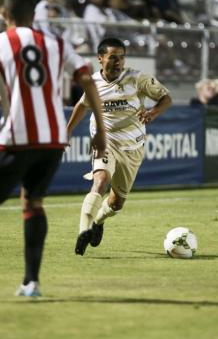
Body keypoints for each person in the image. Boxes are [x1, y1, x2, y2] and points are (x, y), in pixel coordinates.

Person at [0, 0, 106, 299]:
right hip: (53, 139)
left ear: (5, 14)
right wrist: (101, 129)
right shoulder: (55, 44)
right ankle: (31, 283)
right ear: (34, 15)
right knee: (33, 204)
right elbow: (86, 79)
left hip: (17, 135)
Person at [67, 37, 172, 256]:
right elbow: (81, 106)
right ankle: (82, 232)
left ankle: (98, 220)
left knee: (116, 203)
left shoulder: (137, 79)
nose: (118, 62)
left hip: (132, 147)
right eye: (113, 57)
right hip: (105, 142)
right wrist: (66, 132)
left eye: (121, 57)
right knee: (100, 180)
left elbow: (166, 98)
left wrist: (153, 112)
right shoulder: (93, 82)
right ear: (100, 58)